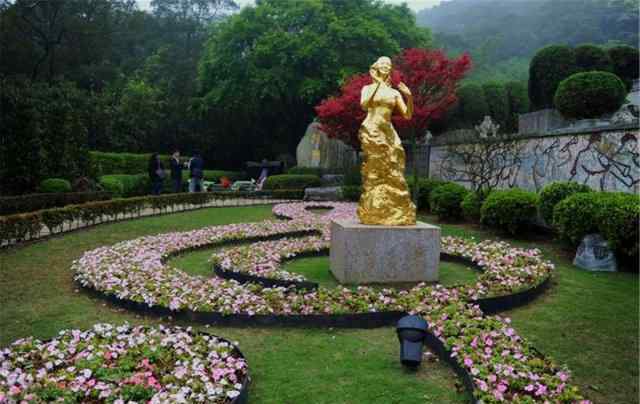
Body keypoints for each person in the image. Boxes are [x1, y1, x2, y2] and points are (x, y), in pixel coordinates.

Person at [357, 56, 416, 225]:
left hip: (388, 130)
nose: (386, 66)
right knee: (377, 164)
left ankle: (396, 202)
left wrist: (409, 97)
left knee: (397, 160)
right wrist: (378, 84)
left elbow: (407, 115)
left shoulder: (394, 93)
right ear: (376, 67)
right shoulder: (367, 88)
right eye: (382, 64)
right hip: (371, 129)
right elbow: (364, 104)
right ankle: (374, 202)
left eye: (388, 65)